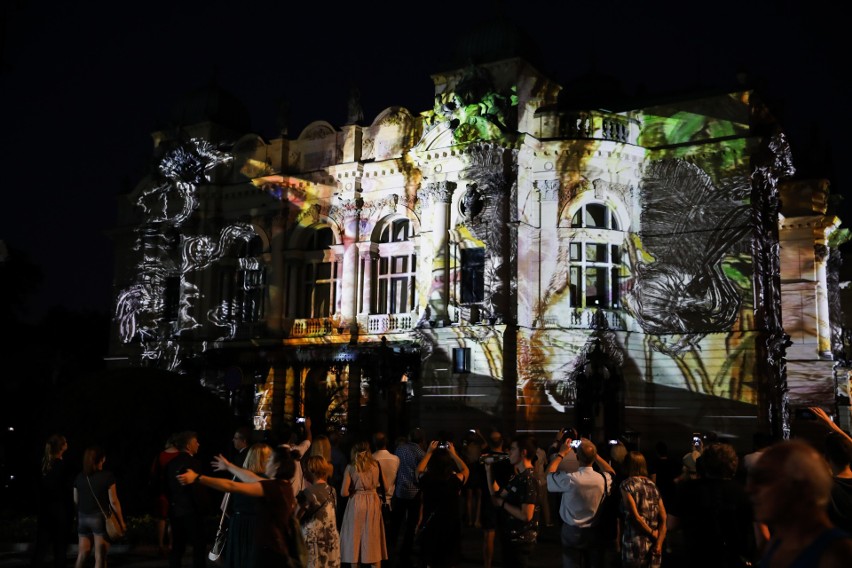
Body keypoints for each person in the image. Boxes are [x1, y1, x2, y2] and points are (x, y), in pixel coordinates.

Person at [178, 445, 306, 568]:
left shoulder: (273, 488)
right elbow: (251, 477)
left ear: (277, 465)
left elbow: (232, 486)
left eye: (270, 460)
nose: (267, 463)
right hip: (274, 548)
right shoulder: (283, 486)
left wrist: (197, 477)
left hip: (270, 550)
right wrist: (229, 466)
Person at [748, 440, 852, 567]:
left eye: (764, 479)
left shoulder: (834, 554)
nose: (750, 489)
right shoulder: (780, 541)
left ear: (801, 487)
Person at [671, 442, 756, 568]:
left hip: (697, 558)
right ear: (733, 463)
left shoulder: (687, 489)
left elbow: (672, 524)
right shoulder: (743, 492)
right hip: (732, 559)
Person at [546, 433, 616, 568]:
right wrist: (594, 454)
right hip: (593, 529)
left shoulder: (571, 479)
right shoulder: (602, 479)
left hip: (571, 530)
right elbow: (611, 471)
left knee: (571, 562)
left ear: (577, 457)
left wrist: (561, 454)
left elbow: (549, 475)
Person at [485, 434, 540, 568]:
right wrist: (488, 471)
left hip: (520, 542)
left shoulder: (528, 479)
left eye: (513, 449)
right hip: (511, 540)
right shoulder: (518, 477)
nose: (509, 452)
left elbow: (526, 515)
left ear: (523, 452)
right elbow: (498, 495)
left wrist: (502, 504)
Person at [415, 438, 470, 568]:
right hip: (450, 526)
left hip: (431, 526)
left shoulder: (427, 479)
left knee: (431, 560)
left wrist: (428, 452)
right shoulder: (455, 480)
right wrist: (453, 454)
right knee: (448, 560)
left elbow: (418, 471)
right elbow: (466, 470)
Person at [72, 446, 126, 568]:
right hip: (99, 519)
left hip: (82, 518)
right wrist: (121, 522)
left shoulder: (79, 477)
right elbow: (114, 501)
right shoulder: (107, 476)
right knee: (100, 557)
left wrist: (79, 516)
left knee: (82, 554)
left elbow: (75, 501)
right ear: (100, 459)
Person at [165, 430, 210, 568]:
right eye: (196, 442)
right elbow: (197, 489)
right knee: (198, 546)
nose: (198, 444)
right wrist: (204, 507)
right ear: (189, 445)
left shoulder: (170, 464)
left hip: (176, 510)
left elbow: (165, 487)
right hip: (192, 511)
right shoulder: (194, 463)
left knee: (177, 547)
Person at [340, 440, 388, 567]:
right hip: (373, 502)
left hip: (356, 501)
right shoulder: (376, 465)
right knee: (373, 539)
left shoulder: (351, 467)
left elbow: (344, 493)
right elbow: (386, 487)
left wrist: (354, 489)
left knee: (355, 539)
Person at [223, 443, 271, 568]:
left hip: (238, 524)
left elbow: (224, 507)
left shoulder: (237, 477)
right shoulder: (266, 481)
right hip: (258, 526)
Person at [32, 434, 73, 568]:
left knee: (41, 548)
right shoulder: (64, 466)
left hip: (44, 512)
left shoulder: (42, 465)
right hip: (60, 512)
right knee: (60, 549)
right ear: (61, 447)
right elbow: (67, 491)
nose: (67, 443)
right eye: (65, 442)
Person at [619, 451, 666, 568]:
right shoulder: (653, 486)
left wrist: (652, 533)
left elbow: (635, 516)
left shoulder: (626, 485)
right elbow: (664, 518)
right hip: (653, 546)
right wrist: (659, 542)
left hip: (633, 544)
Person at [478, 429, 513, 568]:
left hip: (488, 499)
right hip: (505, 500)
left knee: (489, 534)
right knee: (507, 535)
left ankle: (487, 564)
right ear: (502, 442)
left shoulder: (483, 459)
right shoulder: (508, 459)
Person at [298, 455, 341, 568]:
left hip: (313, 543)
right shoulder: (333, 491)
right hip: (330, 540)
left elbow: (296, 517)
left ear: (311, 469)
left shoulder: (306, 493)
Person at [390, 427, 425, 566]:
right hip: (414, 492)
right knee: (411, 525)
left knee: (396, 523)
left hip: (400, 490)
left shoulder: (400, 449)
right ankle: (406, 552)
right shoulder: (421, 453)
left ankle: (391, 549)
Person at [149, 434, 180, 557]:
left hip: (161, 491)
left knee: (161, 519)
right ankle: (172, 545)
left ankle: (161, 545)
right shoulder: (180, 455)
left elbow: (152, 473)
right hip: (175, 491)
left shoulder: (160, 455)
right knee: (173, 519)